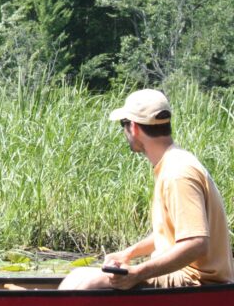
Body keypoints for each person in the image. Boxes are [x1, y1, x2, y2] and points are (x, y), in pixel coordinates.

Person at [59, 89, 234, 290]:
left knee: (86, 282)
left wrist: (137, 273)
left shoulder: (178, 173)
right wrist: (129, 254)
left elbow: (196, 243)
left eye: (122, 125)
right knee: (77, 274)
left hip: (197, 282)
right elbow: (170, 233)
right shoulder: (173, 162)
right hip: (188, 278)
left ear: (133, 127)